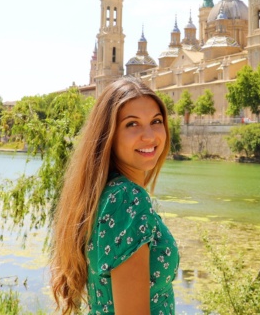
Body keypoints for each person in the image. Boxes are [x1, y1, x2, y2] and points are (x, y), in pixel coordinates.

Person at [50, 77, 179, 314]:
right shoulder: (128, 200)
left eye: (156, 121)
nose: (149, 136)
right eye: (132, 124)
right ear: (108, 134)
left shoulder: (108, 193)